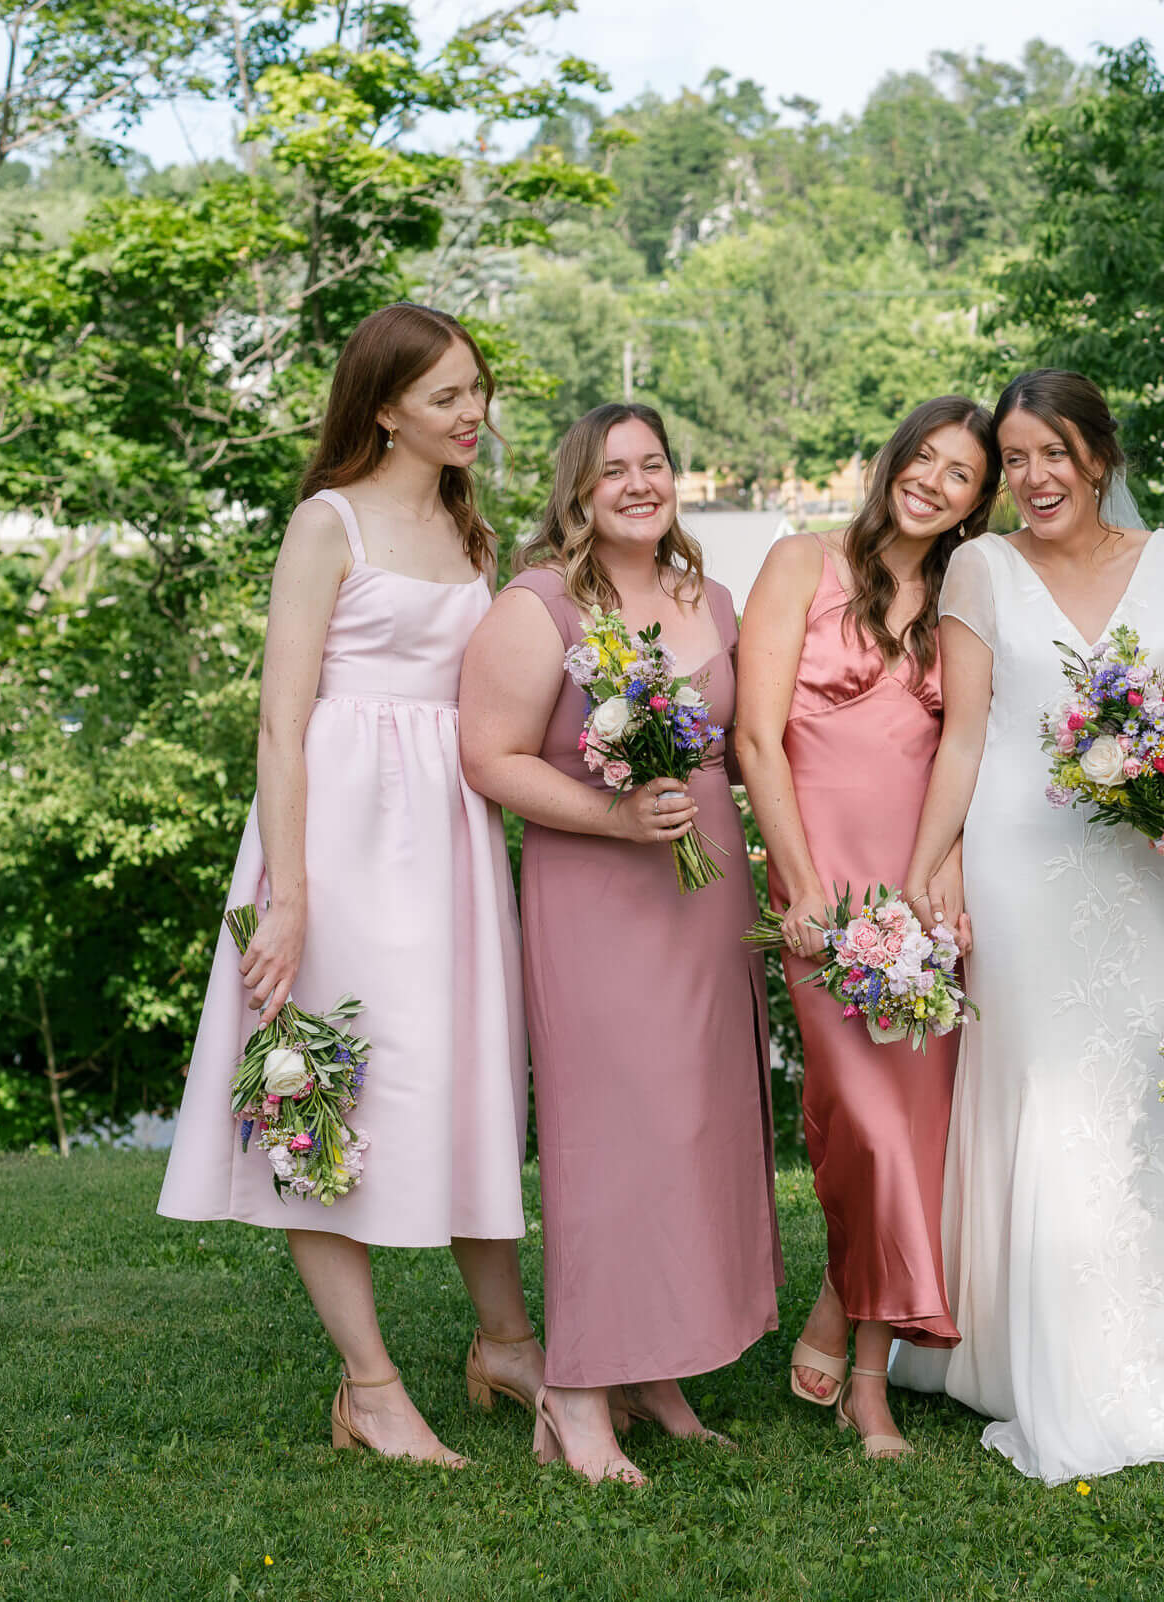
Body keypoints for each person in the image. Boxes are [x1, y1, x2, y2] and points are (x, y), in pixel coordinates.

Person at [886, 368, 1164, 1482]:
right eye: (1013, 460)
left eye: (1052, 453)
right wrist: (933, 864)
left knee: (1150, 1086)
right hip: (1022, 862)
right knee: (1045, 1084)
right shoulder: (980, 566)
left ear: (1099, 456)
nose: (1032, 477)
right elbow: (965, 736)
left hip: (1145, 868)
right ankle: (1026, 1360)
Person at [158, 303, 536, 1467]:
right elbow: (279, 724)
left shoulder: (477, 534)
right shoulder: (326, 524)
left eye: (477, 390)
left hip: (452, 838)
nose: (472, 413)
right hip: (338, 834)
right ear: (384, 408)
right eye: (446, 397)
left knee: (462, 1076)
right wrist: (290, 893)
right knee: (324, 1090)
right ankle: (369, 1386)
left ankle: (507, 1344)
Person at [458, 402, 781, 1486]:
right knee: (610, 1142)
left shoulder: (712, 598)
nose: (640, 484)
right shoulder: (538, 604)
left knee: (695, 1129)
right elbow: (490, 757)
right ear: (579, 491)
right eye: (615, 471)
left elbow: (745, 750)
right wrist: (614, 817)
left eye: (655, 465)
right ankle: (580, 1396)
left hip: (707, 893)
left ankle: (659, 1372)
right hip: (599, 896)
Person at [734, 395, 1000, 1460]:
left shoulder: (963, 597)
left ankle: (864, 1362)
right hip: (824, 895)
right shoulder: (801, 564)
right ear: (895, 457)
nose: (933, 481)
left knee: (915, 1141)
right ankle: (856, 1340)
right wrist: (797, 891)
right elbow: (755, 738)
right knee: (860, 1128)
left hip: (921, 894)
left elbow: (968, 756)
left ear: (979, 503)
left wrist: (948, 879)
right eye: (925, 457)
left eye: (962, 475)